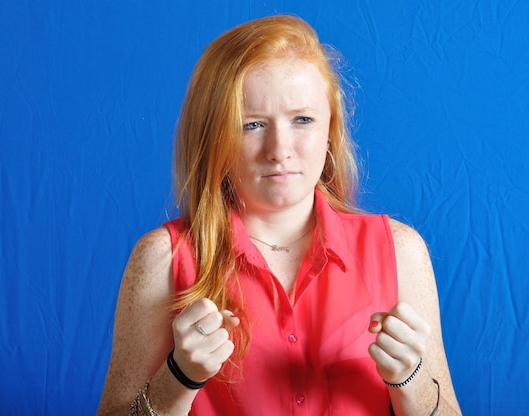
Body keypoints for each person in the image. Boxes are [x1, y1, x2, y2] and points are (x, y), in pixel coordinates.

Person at [97, 14, 461, 416]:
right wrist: (178, 378)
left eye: (302, 120)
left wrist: (410, 380)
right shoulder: (161, 259)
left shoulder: (400, 251)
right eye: (252, 124)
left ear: (330, 131)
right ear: (213, 136)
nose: (279, 149)